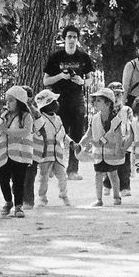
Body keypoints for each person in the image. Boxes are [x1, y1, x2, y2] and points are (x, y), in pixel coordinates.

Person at [43, 25, 95, 181]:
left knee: (77, 135)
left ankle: (73, 170)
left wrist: (82, 81)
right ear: (64, 38)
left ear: (77, 39)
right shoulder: (55, 57)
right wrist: (60, 76)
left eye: (74, 37)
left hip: (77, 99)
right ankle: (55, 166)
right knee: (57, 134)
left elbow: (90, 80)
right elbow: (46, 81)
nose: (71, 40)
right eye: (69, 37)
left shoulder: (84, 57)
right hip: (57, 100)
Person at [80, 87, 131, 207]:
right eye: (95, 100)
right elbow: (89, 133)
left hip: (111, 154)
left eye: (98, 100)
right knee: (98, 175)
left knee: (113, 174)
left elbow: (117, 135)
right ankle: (99, 199)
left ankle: (116, 197)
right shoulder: (94, 118)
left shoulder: (115, 120)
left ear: (108, 103)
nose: (94, 103)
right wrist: (81, 143)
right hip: (99, 154)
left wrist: (119, 150)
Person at [0, 85, 34, 218]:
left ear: (19, 101)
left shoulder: (26, 116)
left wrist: (8, 131)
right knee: (2, 179)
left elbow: (26, 131)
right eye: (7, 101)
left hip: (20, 155)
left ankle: (18, 206)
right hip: (4, 155)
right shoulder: (5, 115)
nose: (7, 103)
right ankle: (8, 200)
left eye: (11, 100)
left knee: (18, 181)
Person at [34, 89, 70, 206]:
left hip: (57, 153)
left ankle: (63, 194)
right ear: (46, 106)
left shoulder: (58, 119)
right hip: (45, 154)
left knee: (62, 175)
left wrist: (71, 143)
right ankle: (42, 197)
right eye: (53, 102)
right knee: (43, 177)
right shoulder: (40, 120)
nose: (56, 104)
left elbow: (63, 134)